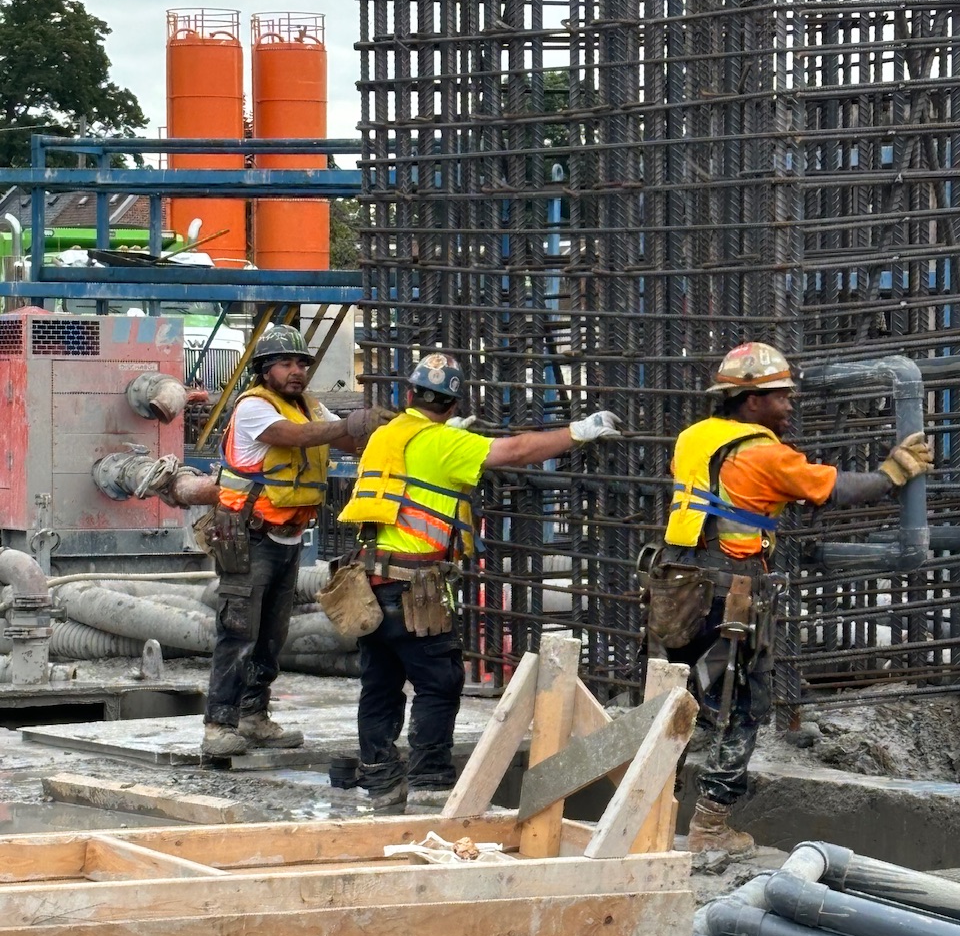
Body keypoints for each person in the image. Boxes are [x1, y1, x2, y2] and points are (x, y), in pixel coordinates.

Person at [644, 340, 933, 854]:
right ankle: (709, 828)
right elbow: (836, 489)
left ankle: (650, 818)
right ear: (752, 401)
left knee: (678, 694)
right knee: (742, 705)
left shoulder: (693, 437)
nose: (790, 404)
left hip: (677, 580)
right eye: (781, 396)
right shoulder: (764, 453)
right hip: (730, 587)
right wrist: (895, 472)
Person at [337, 352, 622, 812]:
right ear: (451, 405)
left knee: (380, 684)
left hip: (370, 580)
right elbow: (516, 451)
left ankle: (380, 778)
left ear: (410, 396)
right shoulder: (446, 445)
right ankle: (430, 778)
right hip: (417, 588)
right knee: (439, 682)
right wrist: (577, 433)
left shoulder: (386, 436)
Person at [202, 326, 391, 758]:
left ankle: (253, 716)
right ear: (264, 370)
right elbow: (294, 437)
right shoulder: (254, 407)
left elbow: (341, 438)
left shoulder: (310, 406)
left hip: (286, 538)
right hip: (248, 538)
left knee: (272, 635)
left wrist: (379, 430)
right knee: (238, 632)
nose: (296, 372)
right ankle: (218, 724)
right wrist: (349, 423)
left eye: (302, 364)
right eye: (286, 364)